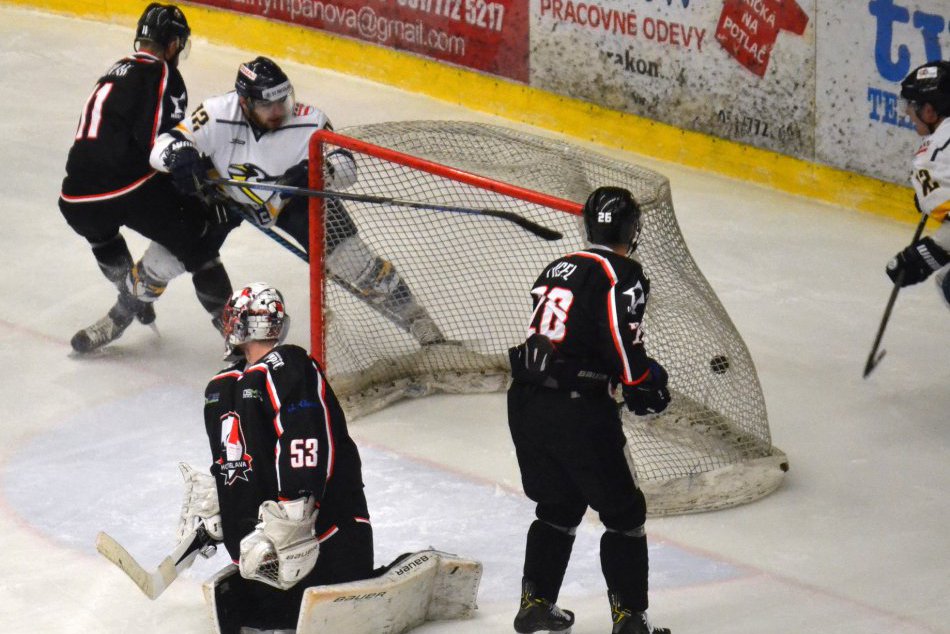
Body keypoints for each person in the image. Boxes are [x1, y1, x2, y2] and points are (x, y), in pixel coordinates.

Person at [148, 55, 445, 345]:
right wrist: (178, 155)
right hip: (224, 199)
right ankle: (130, 300)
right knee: (168, 256)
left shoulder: (310, 121)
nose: (278, 110)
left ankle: (418, 320)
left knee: (354, 261)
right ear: (245, 103)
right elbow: (164, 143)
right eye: (267, 105)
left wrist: (319, 171)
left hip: (293, 201)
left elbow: (347, 165)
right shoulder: (216, 112)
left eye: (283, 100)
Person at [506, 187, 672, 634]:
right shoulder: (622, 271)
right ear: (632, 230)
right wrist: (639, 381)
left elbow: (570, 332)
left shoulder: (557, 266)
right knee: (625, 516)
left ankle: (535, 603)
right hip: (577, 407)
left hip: (526, 401)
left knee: (557, 505)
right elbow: (620, 335)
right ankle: (631, 621)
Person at [197, 282, 373, 632]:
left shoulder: (288, 365)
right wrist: (222, 505)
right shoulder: (223, 386)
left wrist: (295, 511)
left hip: (323, 545)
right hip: (262, 559)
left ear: (241, 323)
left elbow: (305, 437)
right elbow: (232, 460)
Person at [59, 3, 234, 353]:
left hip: (76, 199)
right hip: (127, 188)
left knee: (102, 235)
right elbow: (159, 143)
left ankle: (127, 301)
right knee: (199, 238)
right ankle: (240, 336)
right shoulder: (162, 74)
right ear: (172, 44)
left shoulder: (116, 69)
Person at [886, 60, 950, 306]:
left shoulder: (931, 160)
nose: (908, 114)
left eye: (911, 106)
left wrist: (929, 253)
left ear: (929, 111)